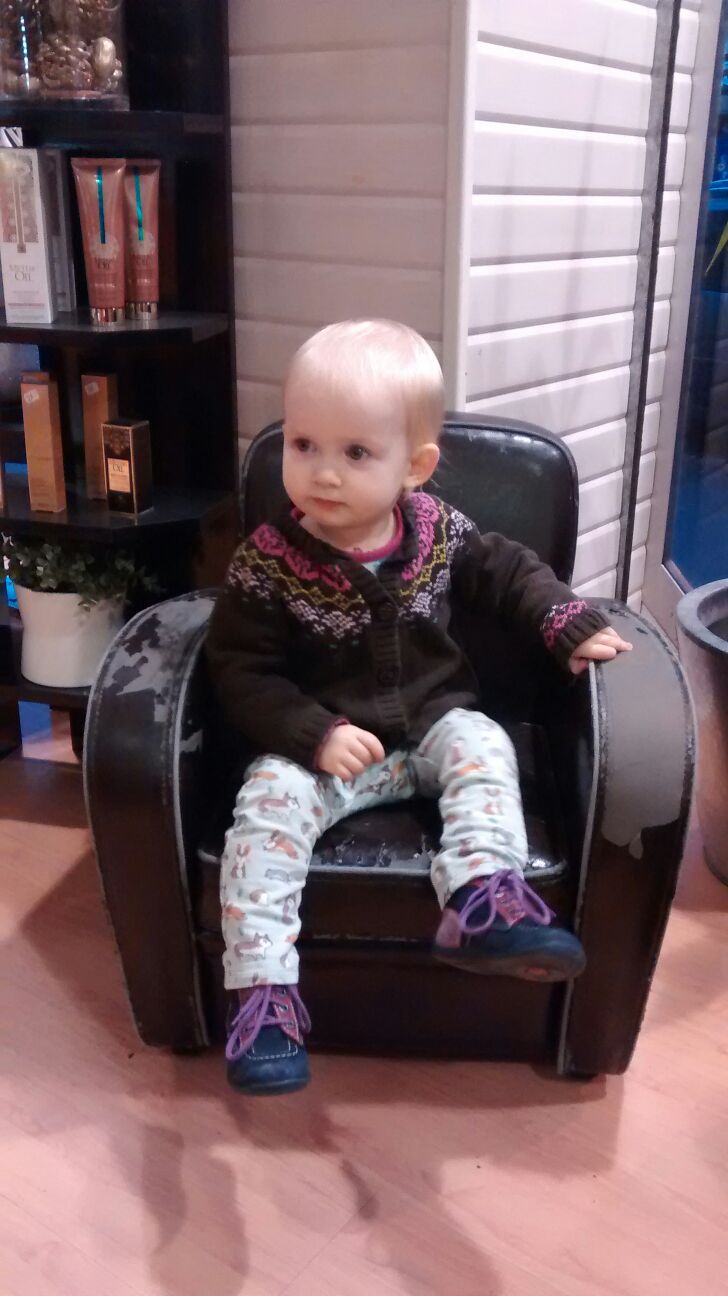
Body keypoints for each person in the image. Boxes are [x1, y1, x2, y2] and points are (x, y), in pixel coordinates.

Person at [206, 319, 632, 1096]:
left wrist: (563, 619)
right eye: (303, 445)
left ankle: (482, 901)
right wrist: (311, 733)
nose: (322, 473)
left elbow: (508, 572)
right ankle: (263, 998)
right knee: (264, 808)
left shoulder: (438, 532)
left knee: (485, 746)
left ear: (416, 466)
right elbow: (240, 670)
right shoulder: (266, 564)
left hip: (435, 723)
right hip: (328, 750)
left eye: (355, 453)